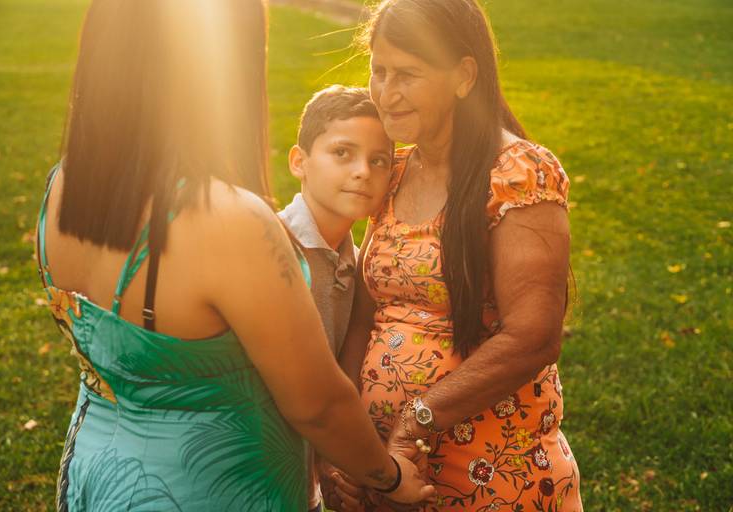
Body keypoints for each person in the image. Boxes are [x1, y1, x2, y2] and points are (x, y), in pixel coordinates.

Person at [35, 1, 435, 510]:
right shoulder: (229, 221)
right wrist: (389, 476)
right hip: (203, 491)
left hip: (94, 475)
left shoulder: (63, 187)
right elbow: (318, 405)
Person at [336, 0, 584, 510]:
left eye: (407, 74)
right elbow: (366, 315)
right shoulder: (394, 169)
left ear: (464, 76)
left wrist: (413, 422)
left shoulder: (517, 173)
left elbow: (533, 337)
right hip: (389, 473)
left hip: (492, 474)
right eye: (378, 71)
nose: (386, 93)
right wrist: (349, 446)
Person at [278, 85, 395, 511]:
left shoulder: (364, 266)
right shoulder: (272, 248)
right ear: (300, 162)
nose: (363, 171)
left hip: (304, 477)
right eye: (342, 153)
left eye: (378, 160)